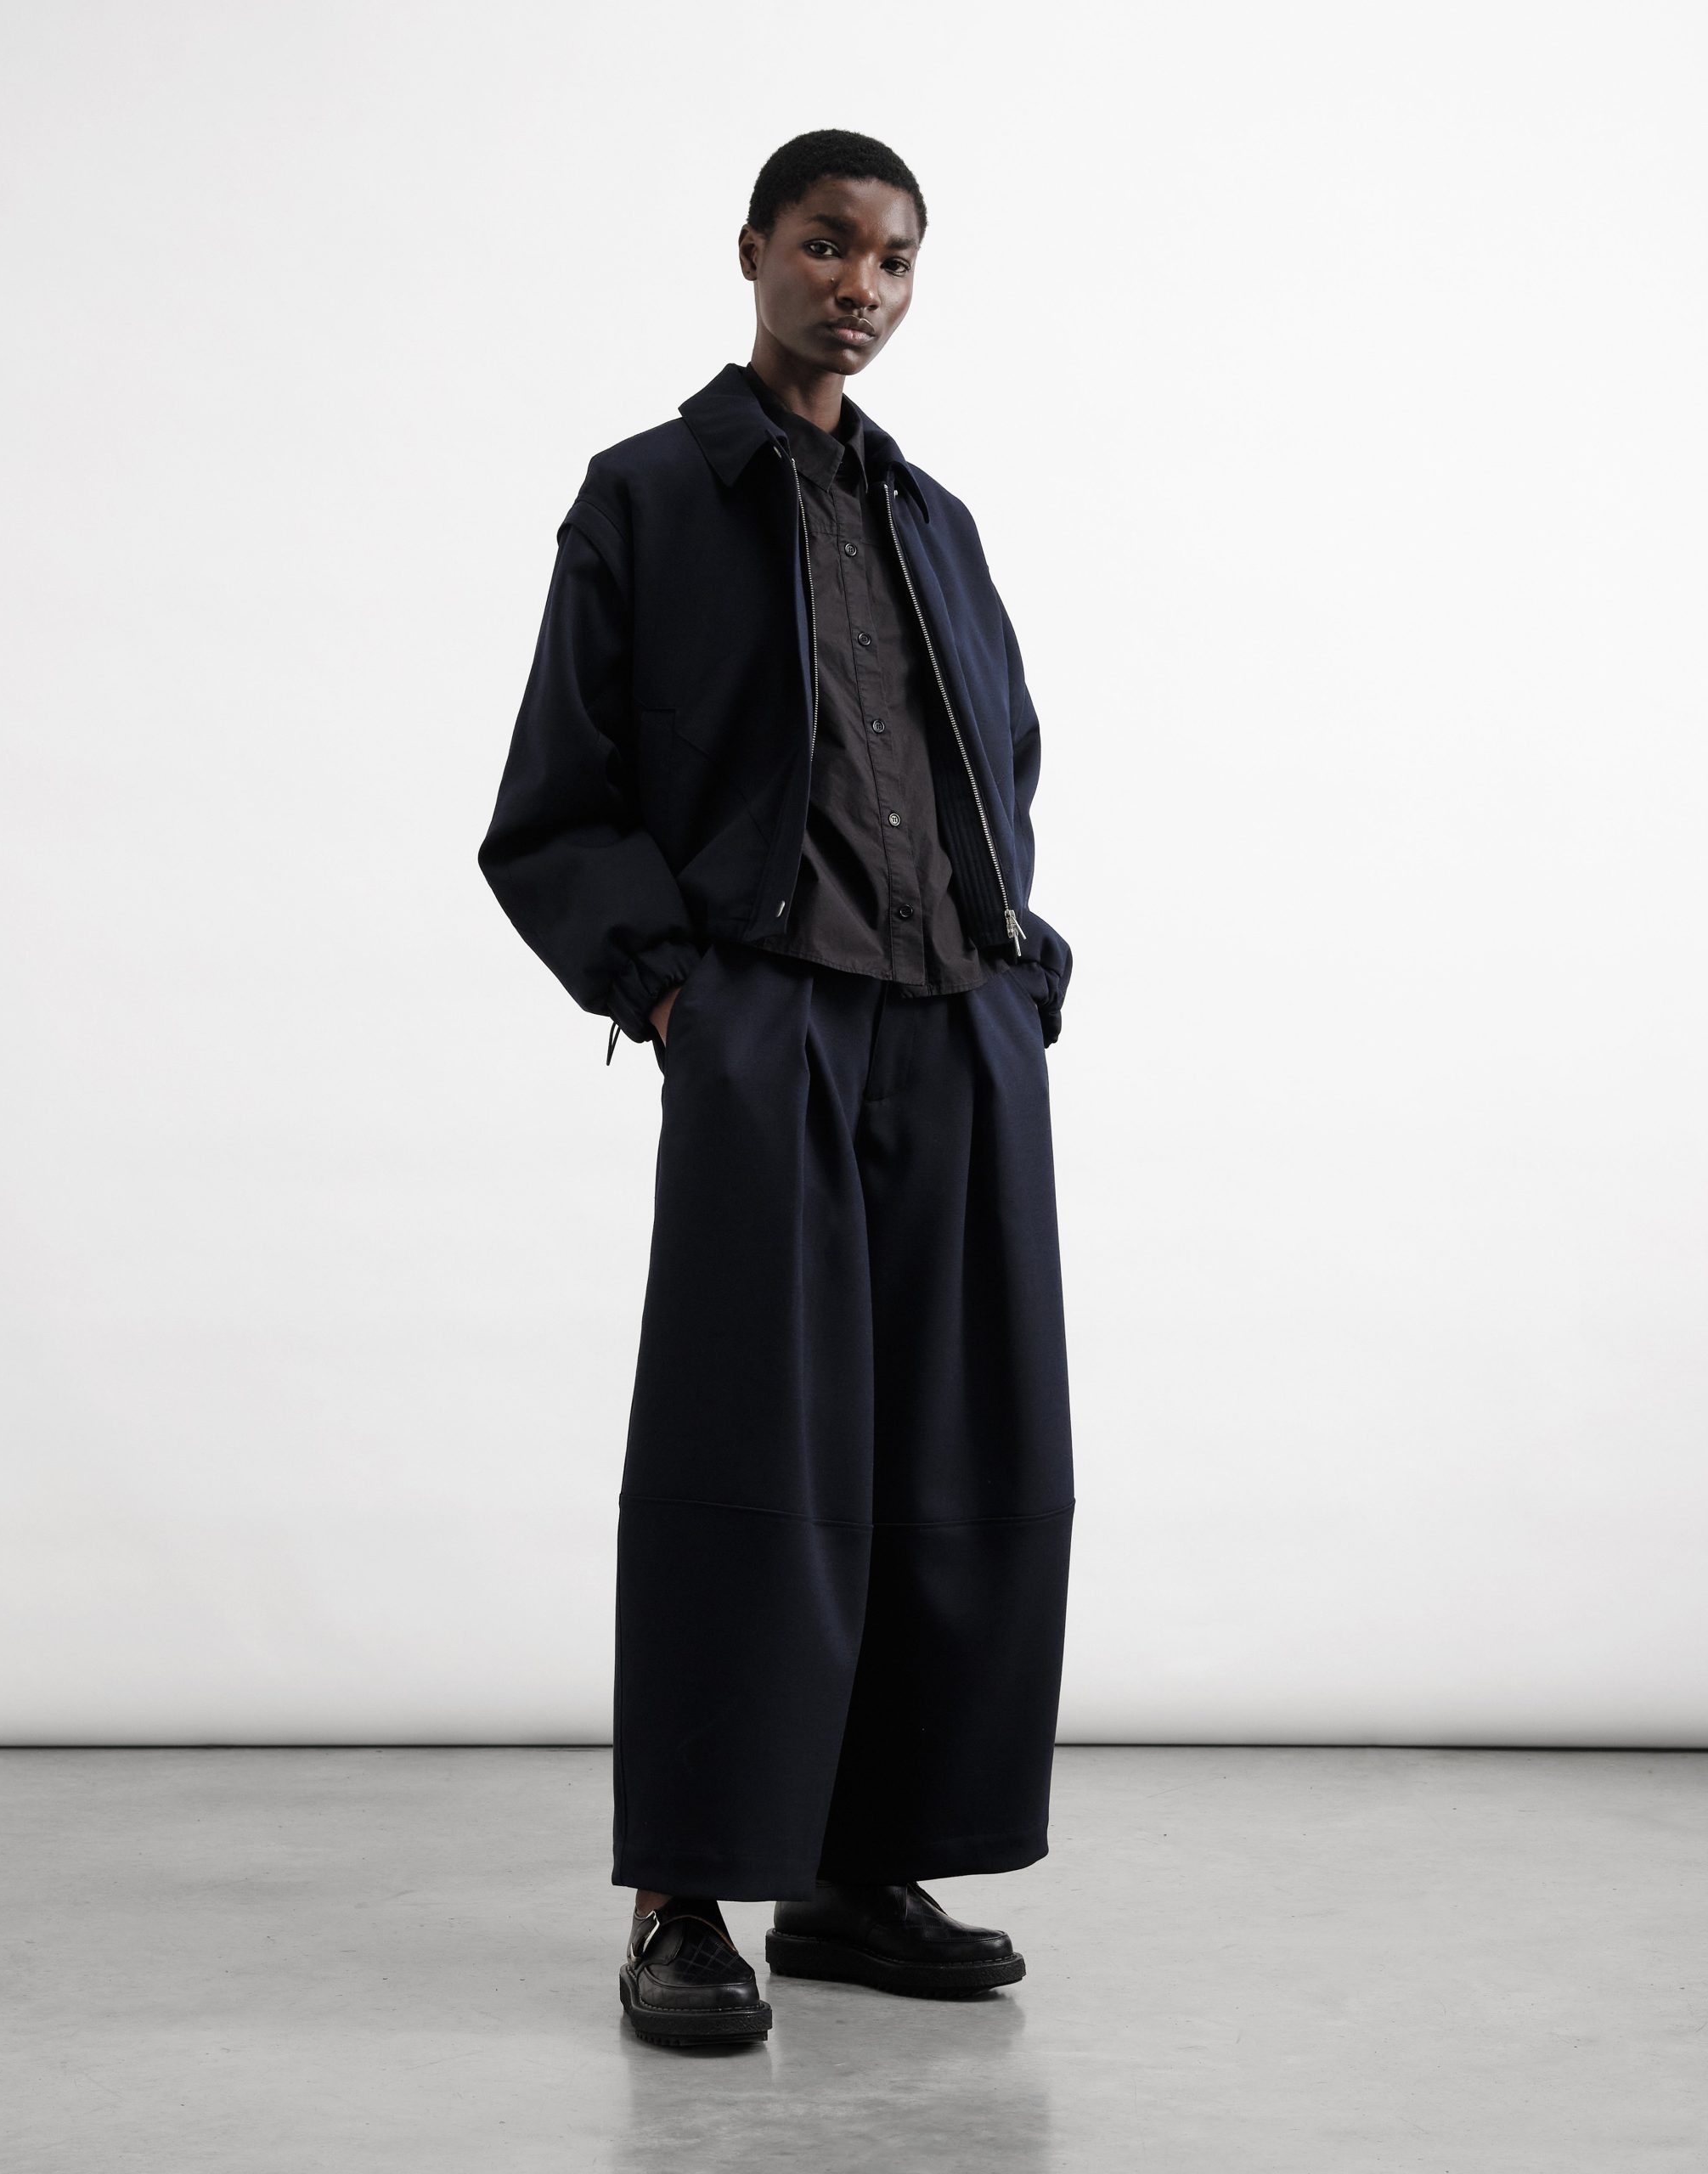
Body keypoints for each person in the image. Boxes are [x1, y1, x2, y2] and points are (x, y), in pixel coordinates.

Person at [479, 128, 1076, 2050]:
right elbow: (552, 801)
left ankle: (855, 1869)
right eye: (828, 245)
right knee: (749, 1460)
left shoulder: (934, 518)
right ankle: (685, 1895)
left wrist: (1017, 967)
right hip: (773, 1026)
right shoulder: (651, 497)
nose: (861, 288)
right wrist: (677, 996)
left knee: (954, 1457)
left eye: (894, 260)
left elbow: (1000, 755)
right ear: (751, 250)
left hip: (954, 1027)